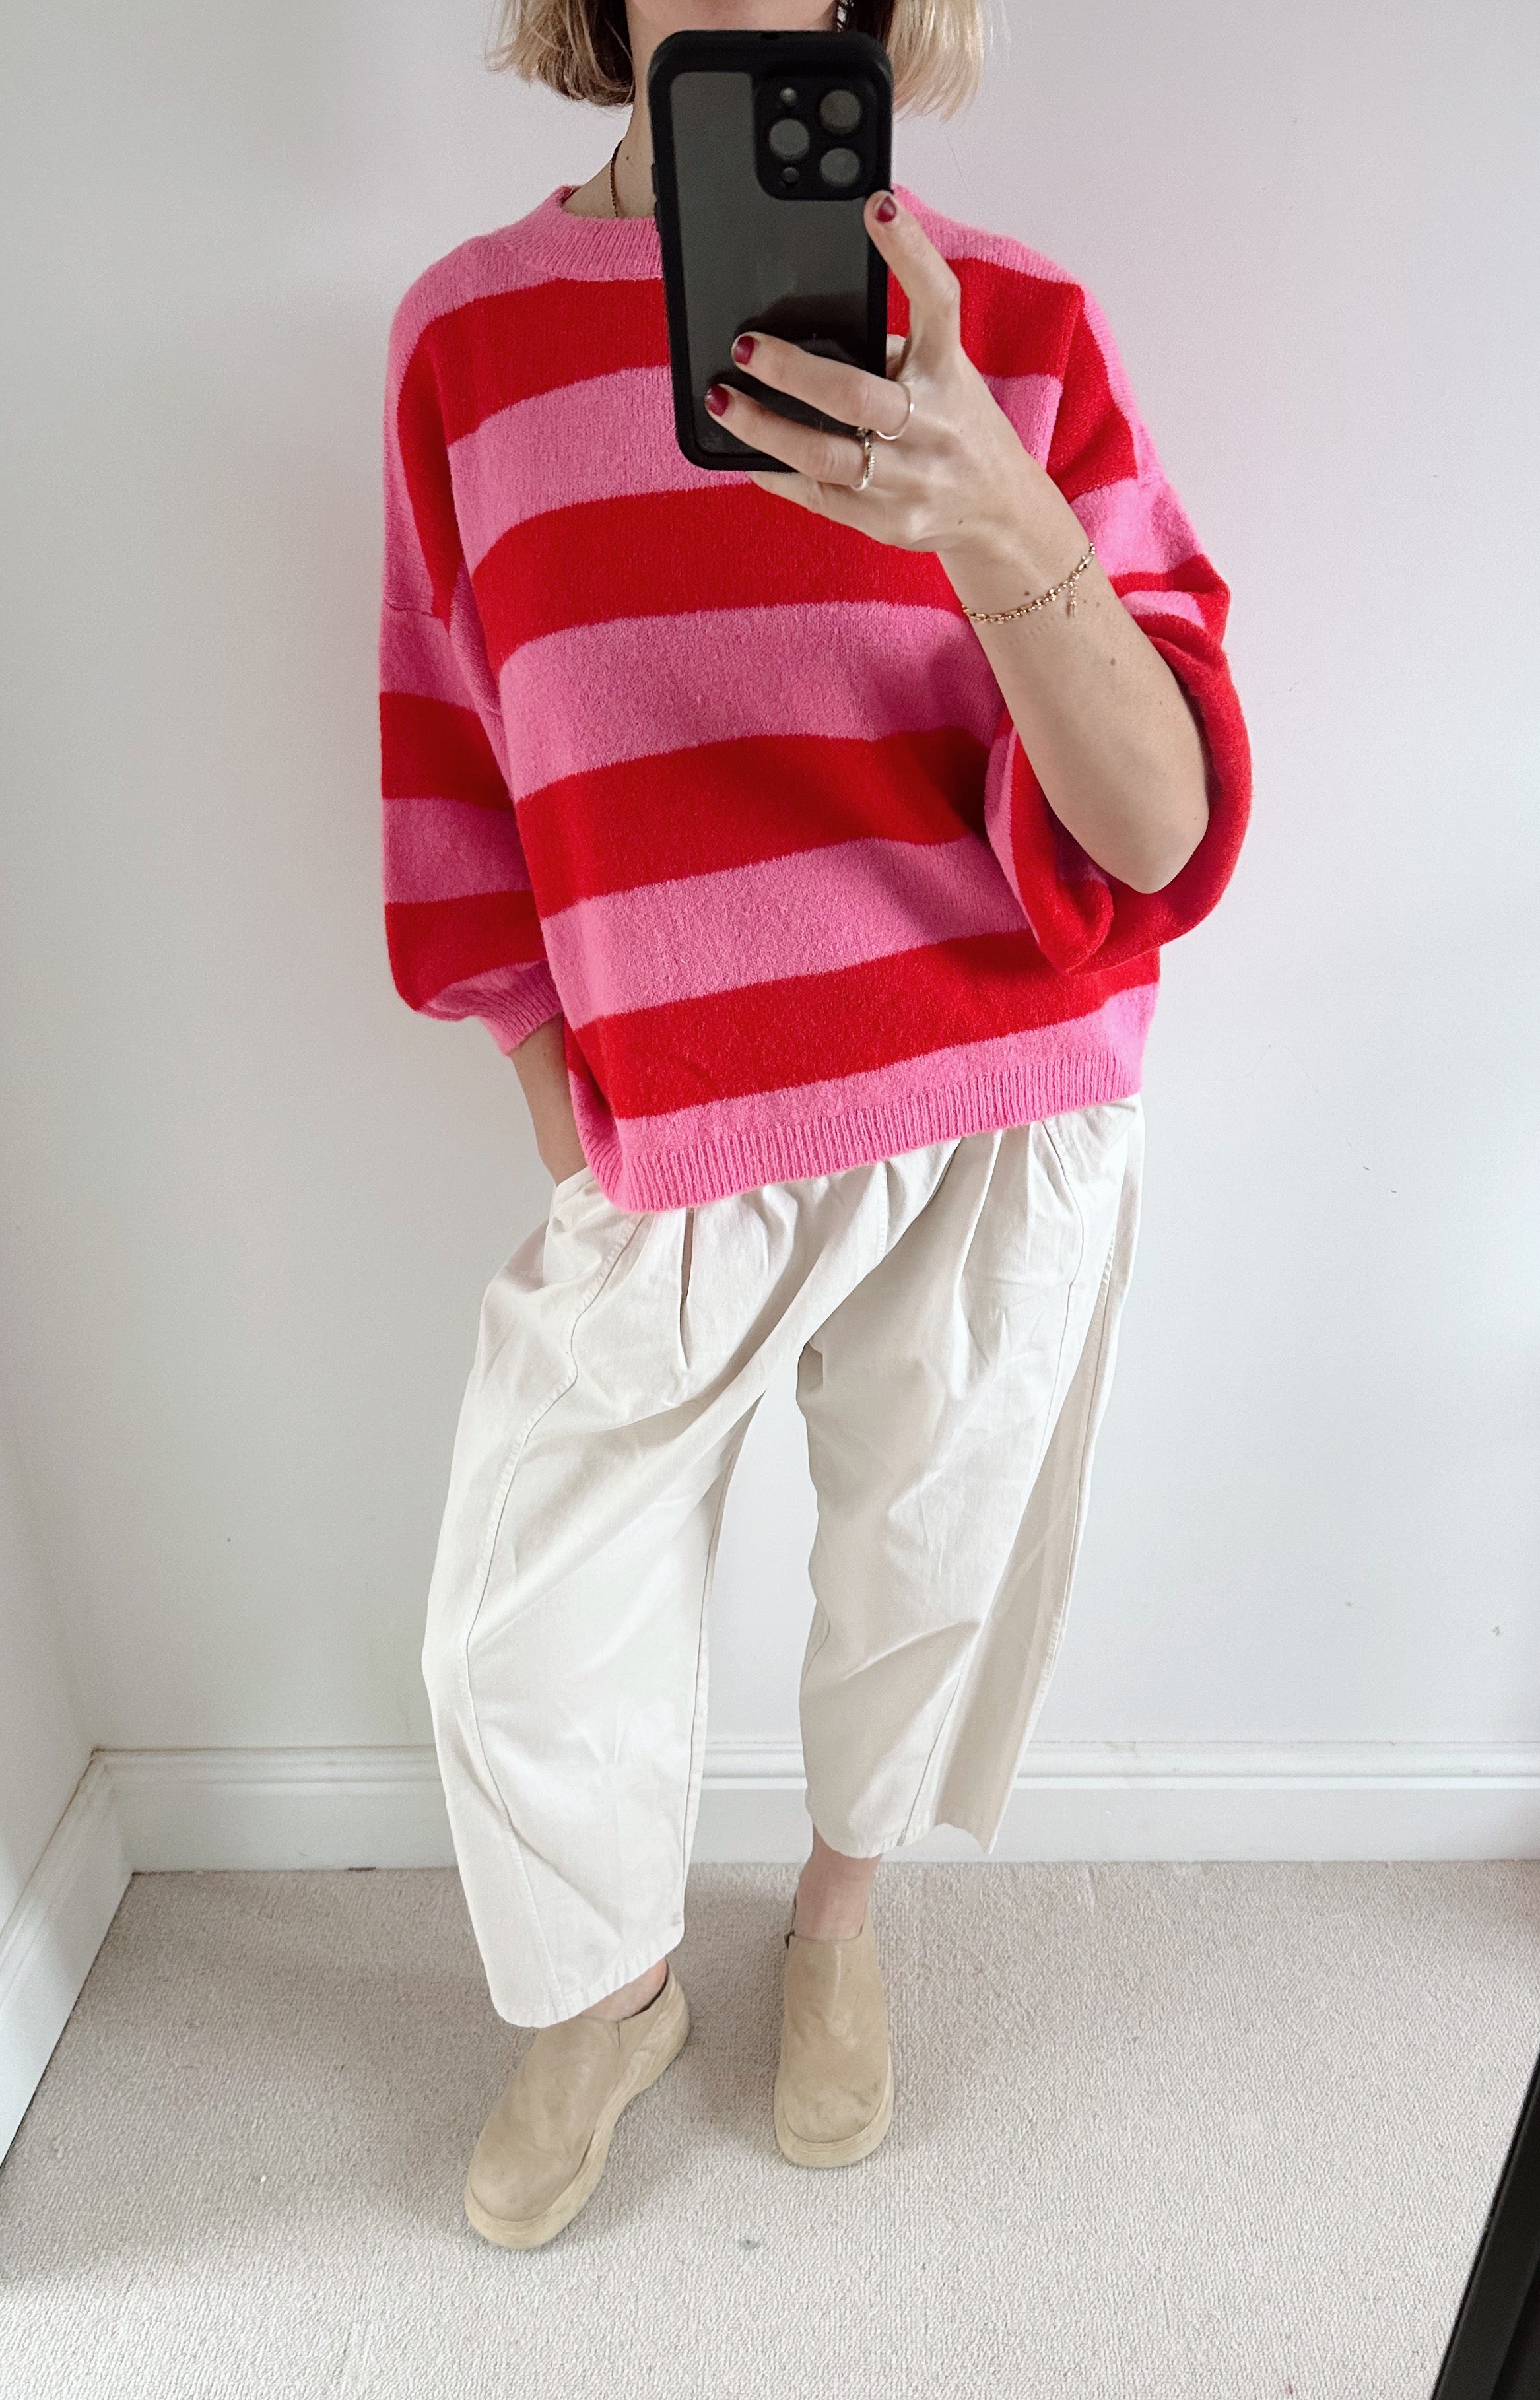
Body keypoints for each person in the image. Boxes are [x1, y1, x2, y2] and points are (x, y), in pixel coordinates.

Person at [380, 0, 1250, 2251]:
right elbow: (448, 750)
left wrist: (999, 521)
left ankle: (837, 1921)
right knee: (514, 1628)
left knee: (917, 1570)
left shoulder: (1012, 333)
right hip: (666, 1119)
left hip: (993, 1085)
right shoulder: (464, 341)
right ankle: (615, 1991)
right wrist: (553, 1089)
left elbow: (1158, 835)